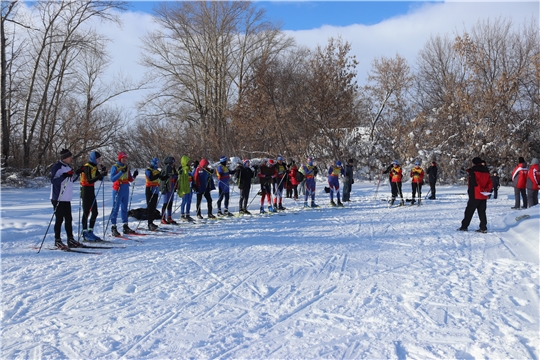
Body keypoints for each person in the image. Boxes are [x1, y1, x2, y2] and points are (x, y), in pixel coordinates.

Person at [50, 148, 78, 248]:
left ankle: (70, 239)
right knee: (59, 219)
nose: (71, 158)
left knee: (69, 219)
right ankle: (57, 240)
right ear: (65, 157)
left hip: (67, 198)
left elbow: (71, 180)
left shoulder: (68, 167)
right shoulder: (58, 167)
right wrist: (64, 175)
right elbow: (53, 181)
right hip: (58, 198)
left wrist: (77, 173)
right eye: (70, 156)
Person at [458, 157, 493, 233]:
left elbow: (474, 183)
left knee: (469, 211)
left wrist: (480, 190)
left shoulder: (473, 171)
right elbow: (490, 182)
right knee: (482, 212)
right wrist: (486, 190)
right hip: (483, 195)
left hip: (475, 194)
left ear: (474, 163)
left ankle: (464, 226)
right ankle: (483, 227)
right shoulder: (486, 170)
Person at [109, 151, 138, 237]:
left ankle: (125, 226)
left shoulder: (126, 167)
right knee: (115, 208)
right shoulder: (115, 167)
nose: (125, 159)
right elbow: (112, 179)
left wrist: (134, 176)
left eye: (126, 158)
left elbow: (129, 179)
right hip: (118, 188)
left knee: (125, 208)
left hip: (125, 188)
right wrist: (121, 172)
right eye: (123, 158)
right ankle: (113, 227)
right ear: (120, 158)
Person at [80, 151, 107, 241]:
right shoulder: (86, 166)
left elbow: (99, 177)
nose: (99, 160)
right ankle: (84, 232)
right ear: (93, 158)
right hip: (85, 190)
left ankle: (90, 231)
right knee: (86, 212)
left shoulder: (94, 167)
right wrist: (100, 175)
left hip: (91, 191)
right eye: (98, 158)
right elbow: (90, 180)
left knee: (95, 212)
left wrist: (103, 172)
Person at [145, 157, 165, 231]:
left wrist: (166, 176)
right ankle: (149, 223)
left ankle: (152, 222)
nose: (158, 164)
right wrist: (158, 175)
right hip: (150, 189)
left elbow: (162, 178)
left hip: (156, 190)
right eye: (157, 163)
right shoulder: (148, 170)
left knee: (153, 207)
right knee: (150, 207)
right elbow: (150, 178)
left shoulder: (157, 171)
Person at [160, 156, 178, 224]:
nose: (173, 163)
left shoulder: (172, 168)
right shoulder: (167, 167)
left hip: (172, 186)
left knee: (170, 202)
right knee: (166, 203)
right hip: (167, 187)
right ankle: (163, 217)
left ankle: (169, 217)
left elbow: (174, 175)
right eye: (172, 162)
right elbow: (166, 176)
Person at [177, 155, 194, 222]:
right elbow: (181, 179)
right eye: (187, 161)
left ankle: (187, 214)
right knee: (184, 201)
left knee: (189, 201)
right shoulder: (183, 169)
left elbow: (192, 176)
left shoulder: (189, 168)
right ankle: (182, 215)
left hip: (190, 187)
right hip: (184, 188)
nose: (189, 163)